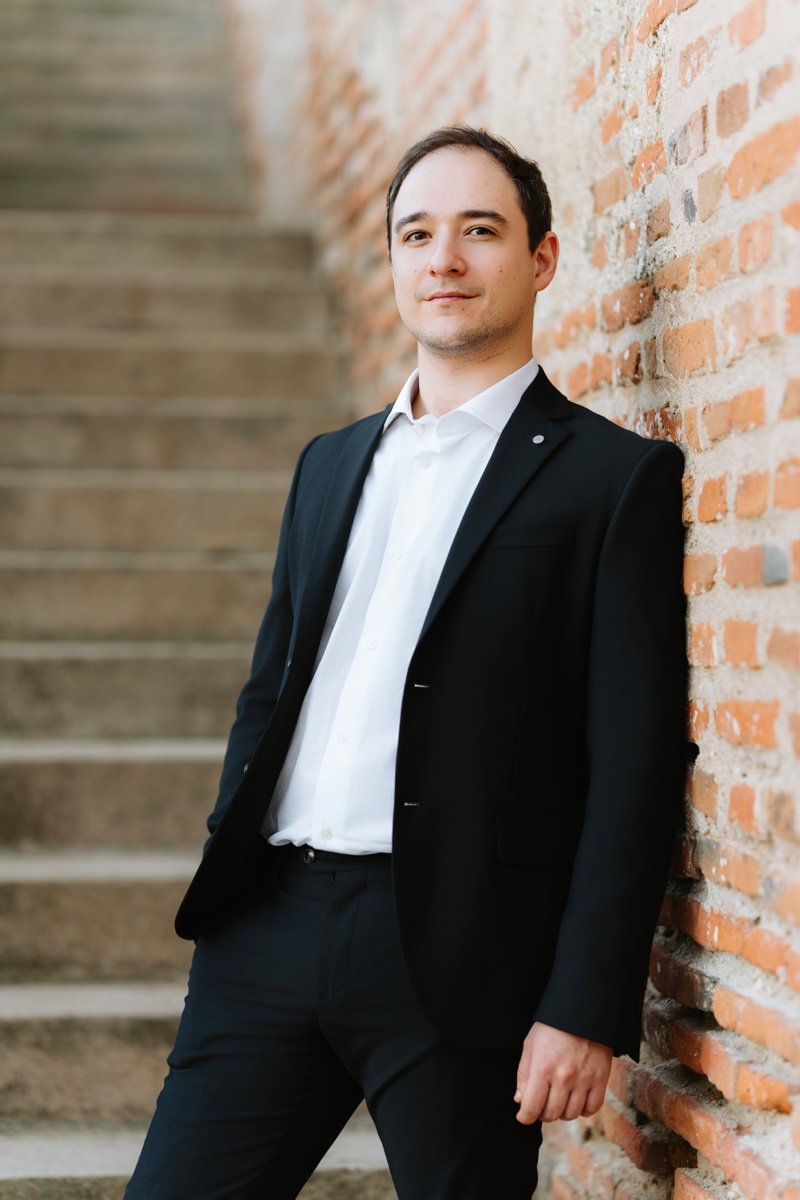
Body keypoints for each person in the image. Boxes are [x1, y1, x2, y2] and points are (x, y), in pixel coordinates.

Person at [126, 126, 689, 1200]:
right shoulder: (330, 463)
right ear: (390, 260)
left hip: (459, 948)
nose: (444, 258)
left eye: (479, 231)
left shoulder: (609, 481)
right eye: (416, 234)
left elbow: (631, 764)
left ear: (540, 259)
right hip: (268, 929)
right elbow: (271, 688)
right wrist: (231, 851)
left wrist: (582, 1002)